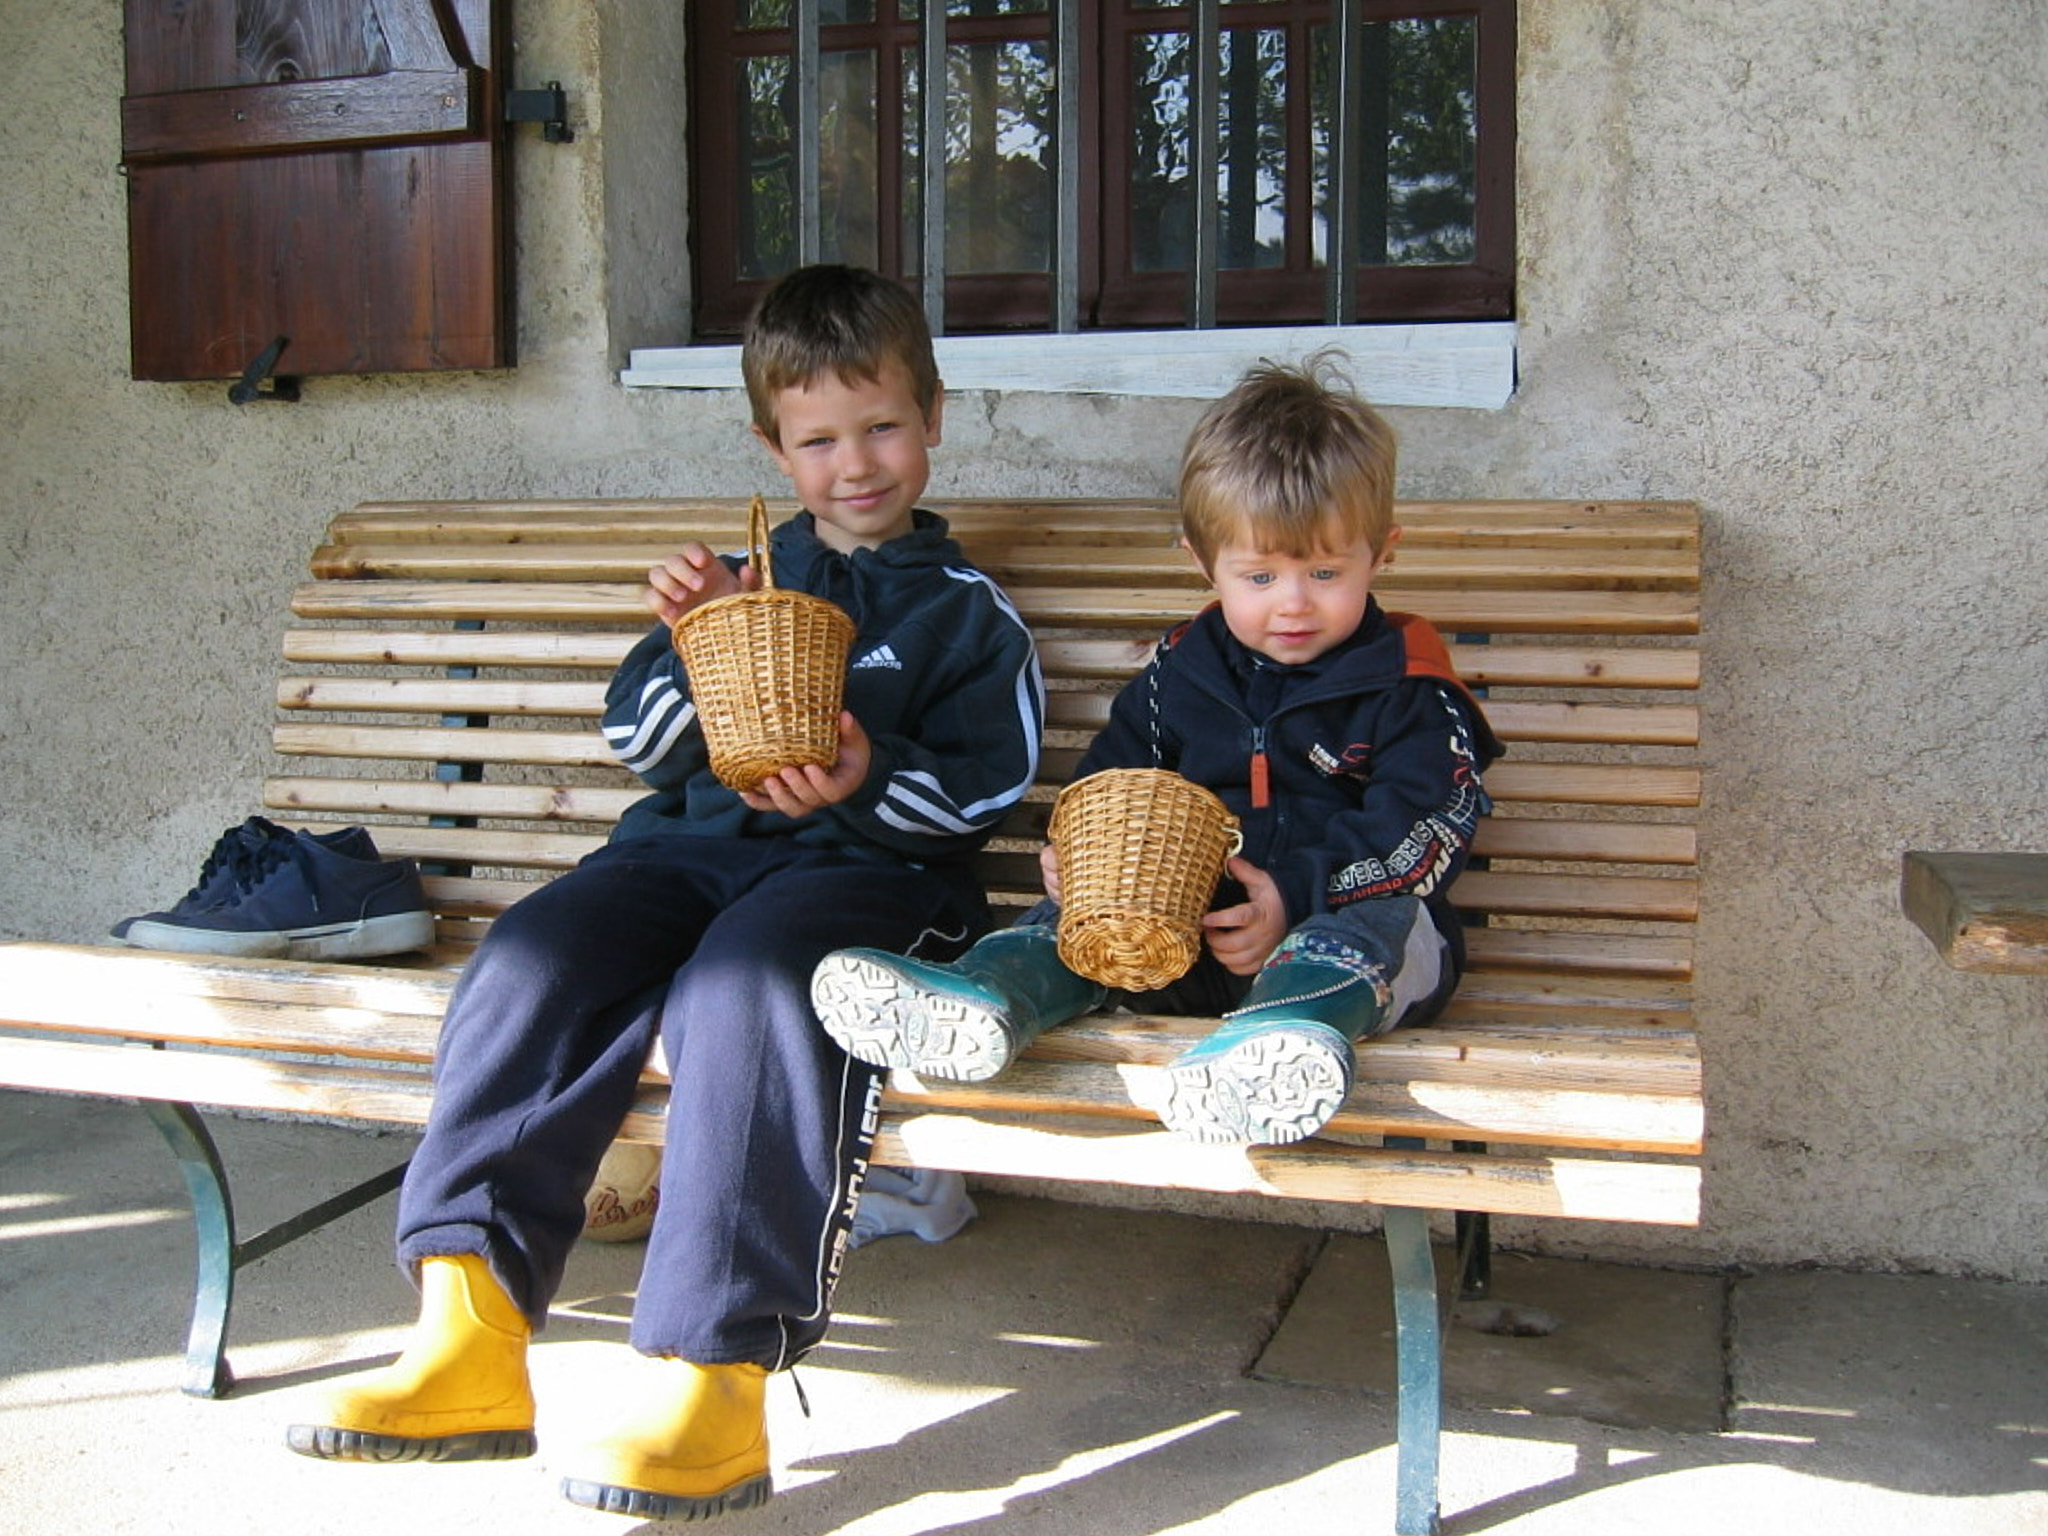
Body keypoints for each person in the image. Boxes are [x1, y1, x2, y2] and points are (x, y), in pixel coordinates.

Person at [285, 264, 1045, 1521]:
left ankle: (712, 1379)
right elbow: (638, 741)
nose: (855, 464)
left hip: (867, 878)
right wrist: (702, 644)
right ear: (771, 448)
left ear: (933, 418)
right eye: (817, 440)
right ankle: (469, 1332)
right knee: (536, 954)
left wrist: (864, 772)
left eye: (881, 427)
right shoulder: (743, 581)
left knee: (748, 989)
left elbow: (984, 795)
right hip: (684, 857)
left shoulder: (968, 618)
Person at [812, 355, 1503, 1147]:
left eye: (1323, 571)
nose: (1293, 603)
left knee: (1385, 916)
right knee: (1081, 914)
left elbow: (1423, 835)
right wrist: (1080, 857)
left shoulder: (1410, 687)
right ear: (1203, 563)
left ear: (1380, 553)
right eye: (1259, 576)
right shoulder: (1182, 673)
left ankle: (1282, 1040)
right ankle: (989, 997)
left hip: (1347, 949)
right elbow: (1115, 778)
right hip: (1186, 942)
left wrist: (1290, 898)